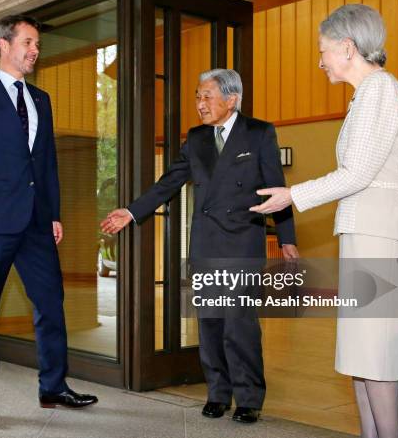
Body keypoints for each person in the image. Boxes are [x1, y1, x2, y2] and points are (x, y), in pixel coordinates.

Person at [250, 4, 398, 438]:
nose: (320, 59)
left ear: (348, 47)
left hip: (380, 234)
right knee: (364, 362)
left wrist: (293, 195)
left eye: (323, 50)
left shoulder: (379, 90)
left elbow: (358, 174)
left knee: (377, 360)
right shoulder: (368, 93)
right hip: (369, 233)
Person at [101, 68, 298, 424]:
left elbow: (276, 189)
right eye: (197, 96)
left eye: (207, 96)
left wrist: (287, 240)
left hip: (242, 242)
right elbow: (168, 183)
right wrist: (131, 212)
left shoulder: (259, 133)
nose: (200, 104)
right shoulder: (196, 138)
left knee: (239, 324)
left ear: (231, 99)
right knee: (209, 323)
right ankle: (218, 393)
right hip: (205, 241)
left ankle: (249, 396)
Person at [0, 14, 98, 426]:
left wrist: (54, 213)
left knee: (51, 305)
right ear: (4, 44)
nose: (34, 51)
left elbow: (46, 164)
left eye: (37, 45)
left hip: (36, 223)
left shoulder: (41, 100)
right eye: (28, 42)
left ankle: (54, 386)